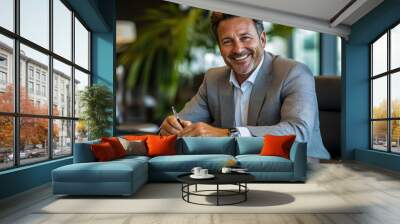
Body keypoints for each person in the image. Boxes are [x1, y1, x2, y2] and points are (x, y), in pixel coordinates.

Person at [159, 12, 330, 159]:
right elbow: (183, 123)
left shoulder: (293, 72)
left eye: (245, 38)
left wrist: (230, 135)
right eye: (227, 41)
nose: (238, 49)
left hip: (305, 172)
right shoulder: (213, 79)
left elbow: (299, 132)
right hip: (241, 173)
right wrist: (171, 127)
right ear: (219, 48)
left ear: (262, 39)